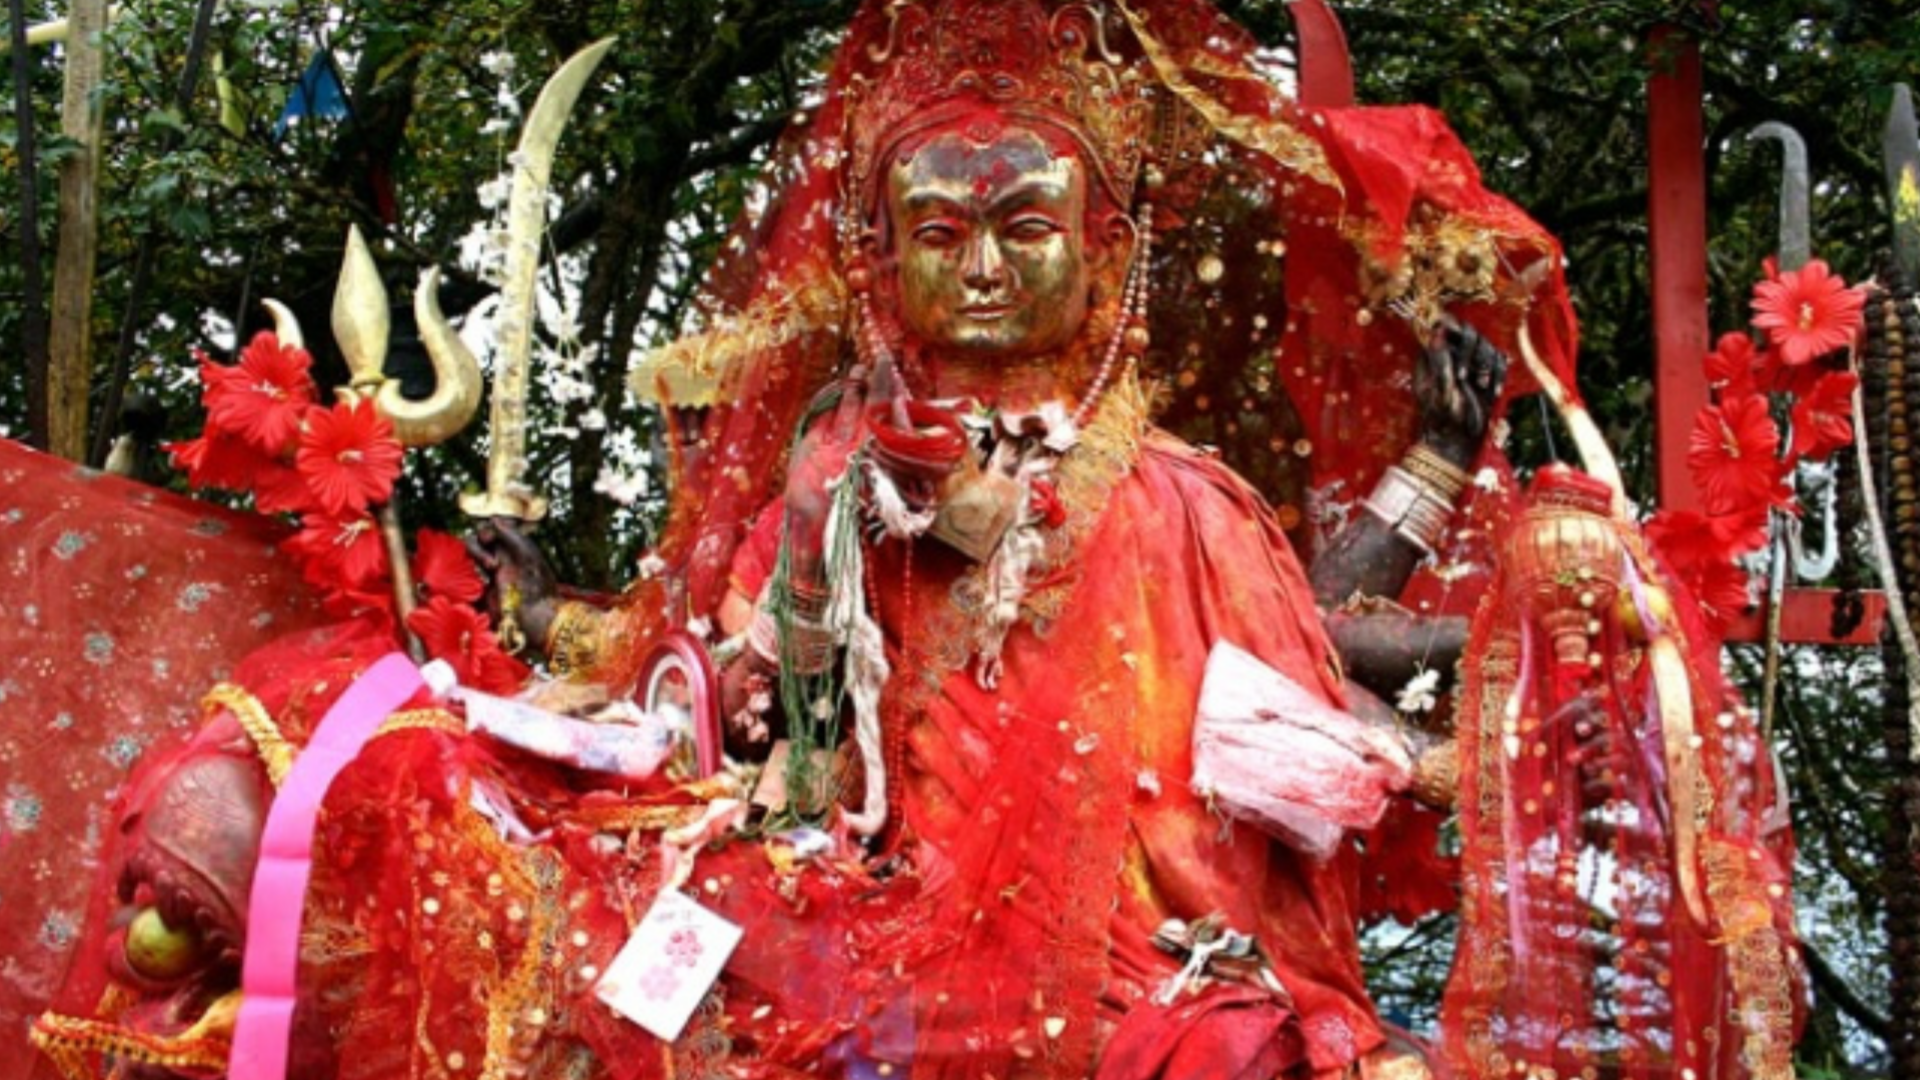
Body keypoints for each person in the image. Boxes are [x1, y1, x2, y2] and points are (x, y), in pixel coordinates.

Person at [38, 2, 1725, 1078]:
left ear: (1106, 245)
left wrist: (1508, 606)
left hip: (1126, 965)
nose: (982, 269)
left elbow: (1293, 671)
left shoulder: (1175, 497)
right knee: (386, 788)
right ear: (880, 253)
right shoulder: (835, 464)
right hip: (833, 918)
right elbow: (705, 682)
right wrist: (562, 634)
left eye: (1024, 225)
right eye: (941, 229)